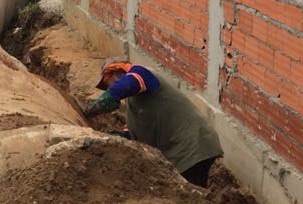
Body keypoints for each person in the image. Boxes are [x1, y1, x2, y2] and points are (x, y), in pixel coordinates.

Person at [80, 58, 223, 188]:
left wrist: (94, 108)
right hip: (183, 150)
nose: (109, 89)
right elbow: (132, 134)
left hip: (193, 145)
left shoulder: (142, 73)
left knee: (191, 195)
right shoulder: (133, 101)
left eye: (108, 84)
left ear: (115, 74)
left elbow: (128, 84)